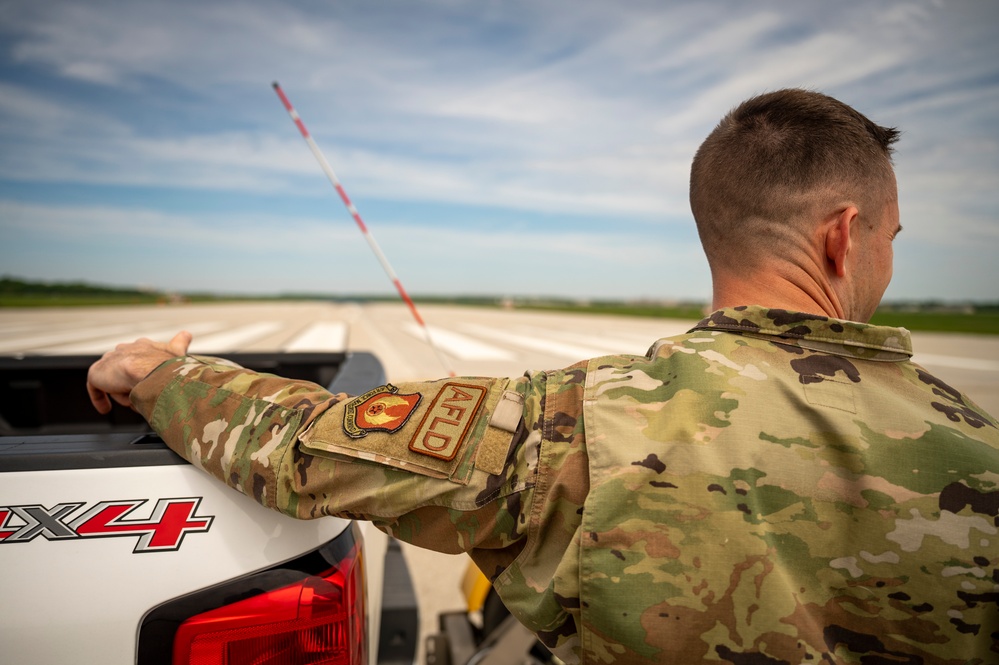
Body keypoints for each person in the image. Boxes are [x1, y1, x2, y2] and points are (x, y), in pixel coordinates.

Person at [87, 89, 999, 664]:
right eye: (889, 234)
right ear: (843, 235)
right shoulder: (980, 452)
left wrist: (158, 372)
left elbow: (297, 443)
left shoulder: (573, 423)